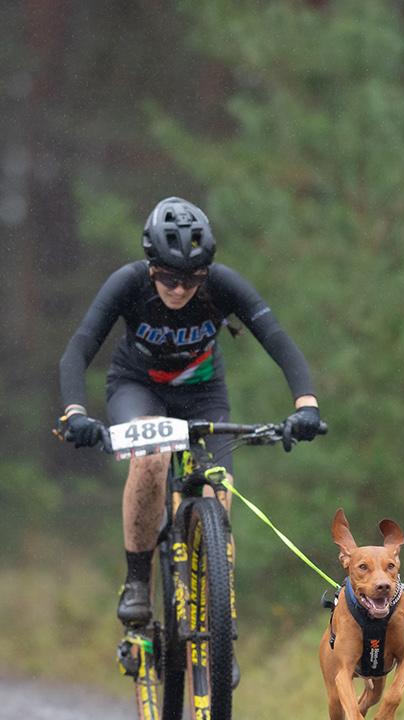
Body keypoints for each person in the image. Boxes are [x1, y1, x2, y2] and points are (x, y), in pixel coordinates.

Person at [57, 196, 322, 641]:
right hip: (137, 389)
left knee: (220, 497)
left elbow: (279, 341)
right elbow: (78, 349)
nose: (179, 290)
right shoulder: (126, 284)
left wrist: (307, 405)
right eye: (167, 276)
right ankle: (138, 580)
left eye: (191, 280)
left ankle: (216, 627)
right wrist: (75, 412)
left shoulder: (224, 285)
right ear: (150, 266)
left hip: (203, 395)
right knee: (152, 460)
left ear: (206, 273)